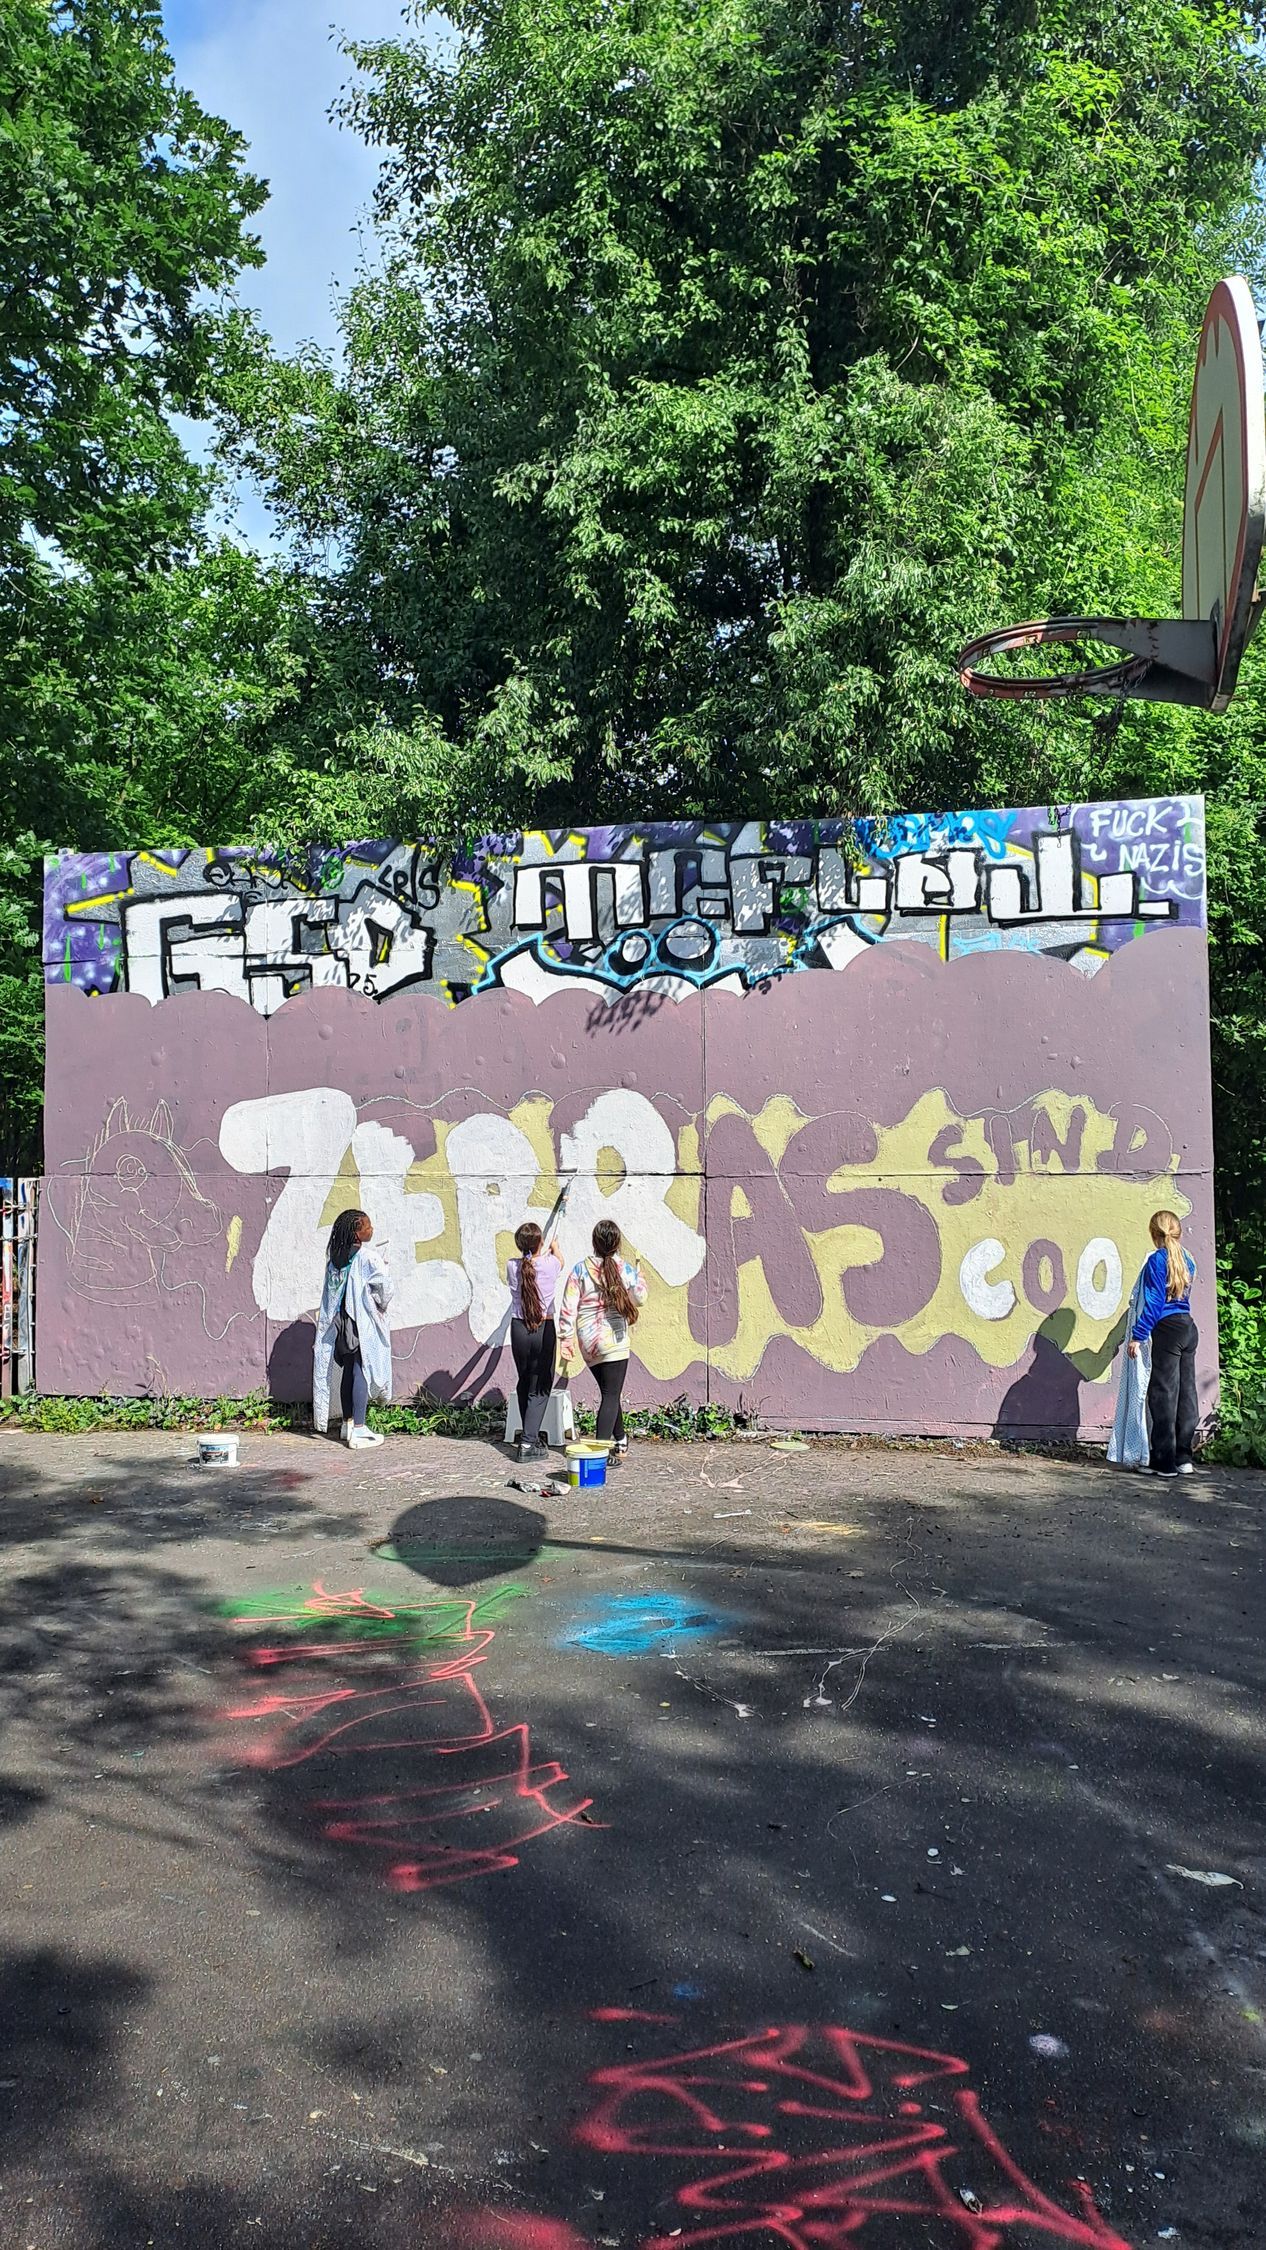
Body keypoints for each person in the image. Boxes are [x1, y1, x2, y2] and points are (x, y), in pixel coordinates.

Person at [557, 1219, 648, 1465]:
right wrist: (640, 1279)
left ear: (594, 1242)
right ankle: (600, 1453)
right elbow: (639, 1298)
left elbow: (568, 1307)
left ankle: (620, 1439)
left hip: (588, 1342)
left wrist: (566, 1338)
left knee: (610, 1392)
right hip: (614, 1339)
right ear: (617, 1243)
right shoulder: (624, 1269)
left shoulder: (579, 1270)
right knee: (610, 1395)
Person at [313, 1207, 393, 1449]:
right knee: (361, 1369)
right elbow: (384, 1290)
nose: (371, 1229)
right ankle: (359, 1429)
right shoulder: (368, 1258)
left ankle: (347, 1423)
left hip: (339, 1322)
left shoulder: (335, 1260)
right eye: (367, 1226)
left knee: (349, 1368)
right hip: (359, 1322)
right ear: (357, 1233)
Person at [1127, 1209, 1198, 1478]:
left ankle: (1163, 1462)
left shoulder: (1156, 1260)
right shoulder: (1187, 1259)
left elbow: (1155, 1302)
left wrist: (1138, 1334)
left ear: (1153, 1234)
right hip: (1188, 1327)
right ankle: (1183, 1457)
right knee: (1186, 1392)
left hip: (1167, 1329)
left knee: (1163, 1393)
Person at [507, 1220, 563, 1461]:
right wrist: (555, 1247)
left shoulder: (512, 1265)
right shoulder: (550, 1264)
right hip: (543, 1328)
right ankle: (528, 1443)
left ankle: (530, 1436)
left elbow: (529, 1264)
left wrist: (541, 1250)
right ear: (540, 1242)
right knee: (540, 1386)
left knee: (525, 1382)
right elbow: (560, 1261)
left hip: (519, 1329)